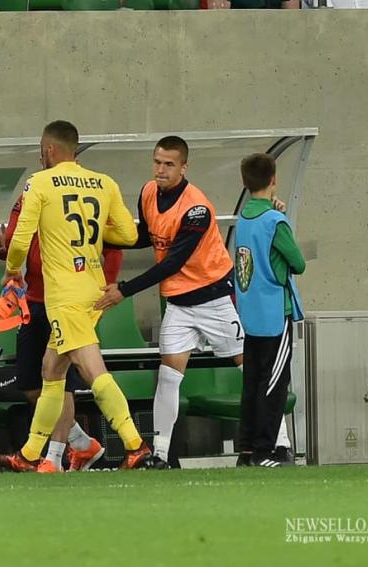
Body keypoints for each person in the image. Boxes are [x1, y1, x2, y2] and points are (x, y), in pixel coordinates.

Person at [95, 136, 294, 468]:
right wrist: (101, 235)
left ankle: (279, 443)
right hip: (179, 304)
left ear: (184, 167)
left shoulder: (196, 208)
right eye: (157, 162)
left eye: (169, 164)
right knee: (169, 375)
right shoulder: (147, 192)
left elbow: (173, 261)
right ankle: (160, 454)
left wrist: (124, 290)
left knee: (253, 369)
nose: (161, 169)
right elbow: (146, 235)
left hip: (215, 299)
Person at [0, 120, 152, 472]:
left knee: (92, 369)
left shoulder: (40, 182)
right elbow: (126, 234)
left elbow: (19, 239)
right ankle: (30, 454)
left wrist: (12, 270)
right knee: (52, 369)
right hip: (91, 286)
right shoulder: (104, 182)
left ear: (48, 150)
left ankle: (135, 443)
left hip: (63, 293)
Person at [0, 194, 123, 472]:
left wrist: (109, 284)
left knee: (60, 381)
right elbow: (18, 241)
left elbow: (114, 244)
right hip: (34, 300)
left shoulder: (88, 193)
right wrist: (4, 249)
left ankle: (52, 458)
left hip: (67, 301)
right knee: (31, 385)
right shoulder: (30, 195)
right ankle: (83, 444)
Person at [233, 154, 305, 467]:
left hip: (250, 313)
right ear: (273, 180)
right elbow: (298, 263)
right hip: (276, 313)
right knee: (273, 385)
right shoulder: (275, 221)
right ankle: (265, 451)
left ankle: (247, 450)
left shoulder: (243, 219)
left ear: (245, 182)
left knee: (251, 384)